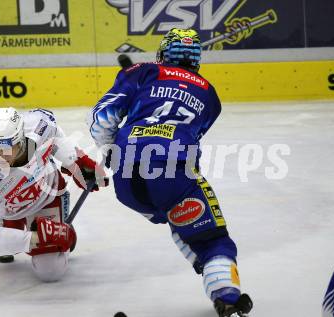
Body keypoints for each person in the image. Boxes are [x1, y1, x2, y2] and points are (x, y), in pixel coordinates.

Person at [87, 28, 252, 316]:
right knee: (210, 237)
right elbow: (192, 135)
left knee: (175, 217)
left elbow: (103, 119)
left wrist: (110, 148)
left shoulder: (143, 71)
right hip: (174, 173)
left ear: (163, 53)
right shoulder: (210, 96)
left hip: (127, 182)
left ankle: (206, 266)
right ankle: (224, 289)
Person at [0, 107, 107, 282]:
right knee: (6, 248)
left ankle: (53, 229)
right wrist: (36, 237)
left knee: (51, 271)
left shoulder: (38, 125)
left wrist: (76, 164)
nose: (3, 156)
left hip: (47, 197)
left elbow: (55, 136)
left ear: (21, 139)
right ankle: (16, 224)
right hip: (10, 211)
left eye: (10, 147)